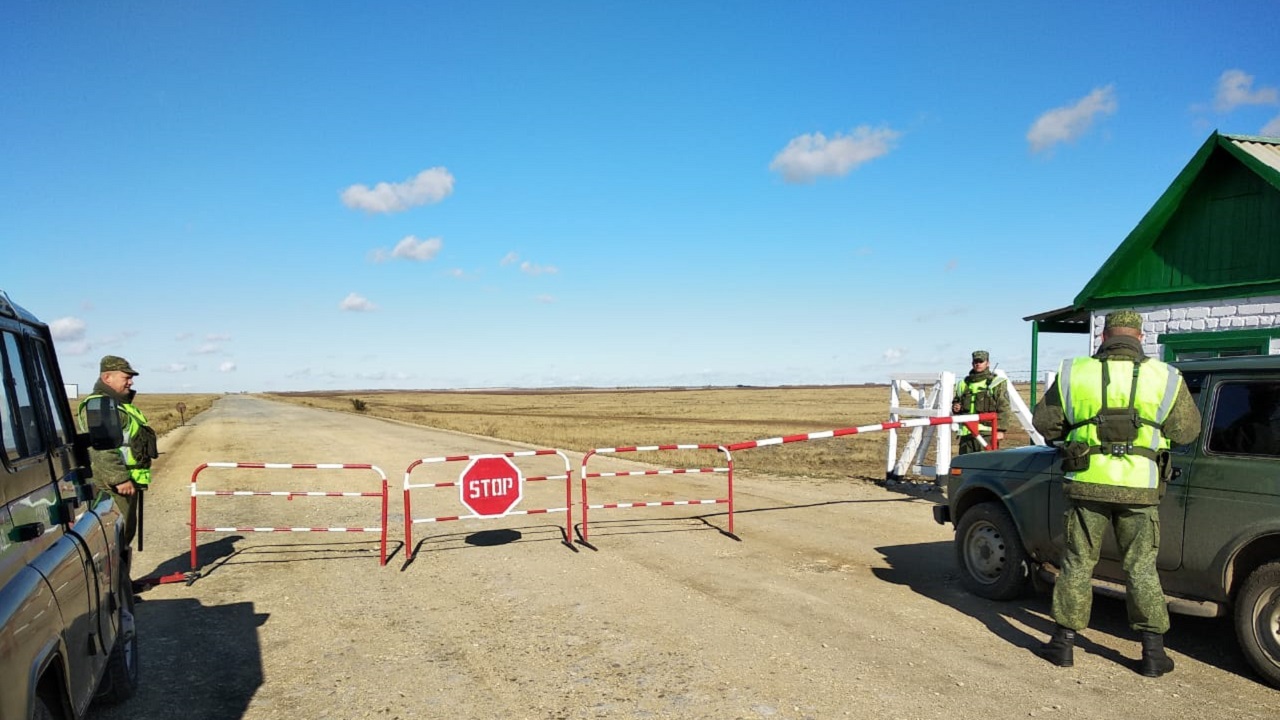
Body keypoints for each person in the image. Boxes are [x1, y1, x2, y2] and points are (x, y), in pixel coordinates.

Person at [1031, 310, 1201, 677]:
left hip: (1086, 482)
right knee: (1140, 566)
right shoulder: (1167, 377)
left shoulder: (1076, 372)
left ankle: (1062, 644)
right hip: (1140, 488)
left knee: (1078, 563)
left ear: (1104, 337)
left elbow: (1045, 423)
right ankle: (1153, 654)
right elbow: (1186, 431)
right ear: (1140, 338)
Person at [77, 355, 158, 550]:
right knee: (116, 537)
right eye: (126, 377)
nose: (131, 382)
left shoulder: (118, 405)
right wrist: (119, 478)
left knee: (125, 533)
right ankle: (118, 579)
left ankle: (124, 580)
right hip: (112, 484)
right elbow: (102, 446)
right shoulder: (102, 406)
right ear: (107, 378)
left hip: (125, 481)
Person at [952, 350, 1011, 454]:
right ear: (972, 363)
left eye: (981, 361)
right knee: (965, 466)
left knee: (985, 465)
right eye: (976, 361)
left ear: (988, 363)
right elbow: (957, 401)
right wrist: (956, 407)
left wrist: (1001, 430)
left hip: (987, 433)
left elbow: (1004, 407)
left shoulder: (996, 382)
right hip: (966, 432)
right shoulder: (962, 383)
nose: (978, 364)